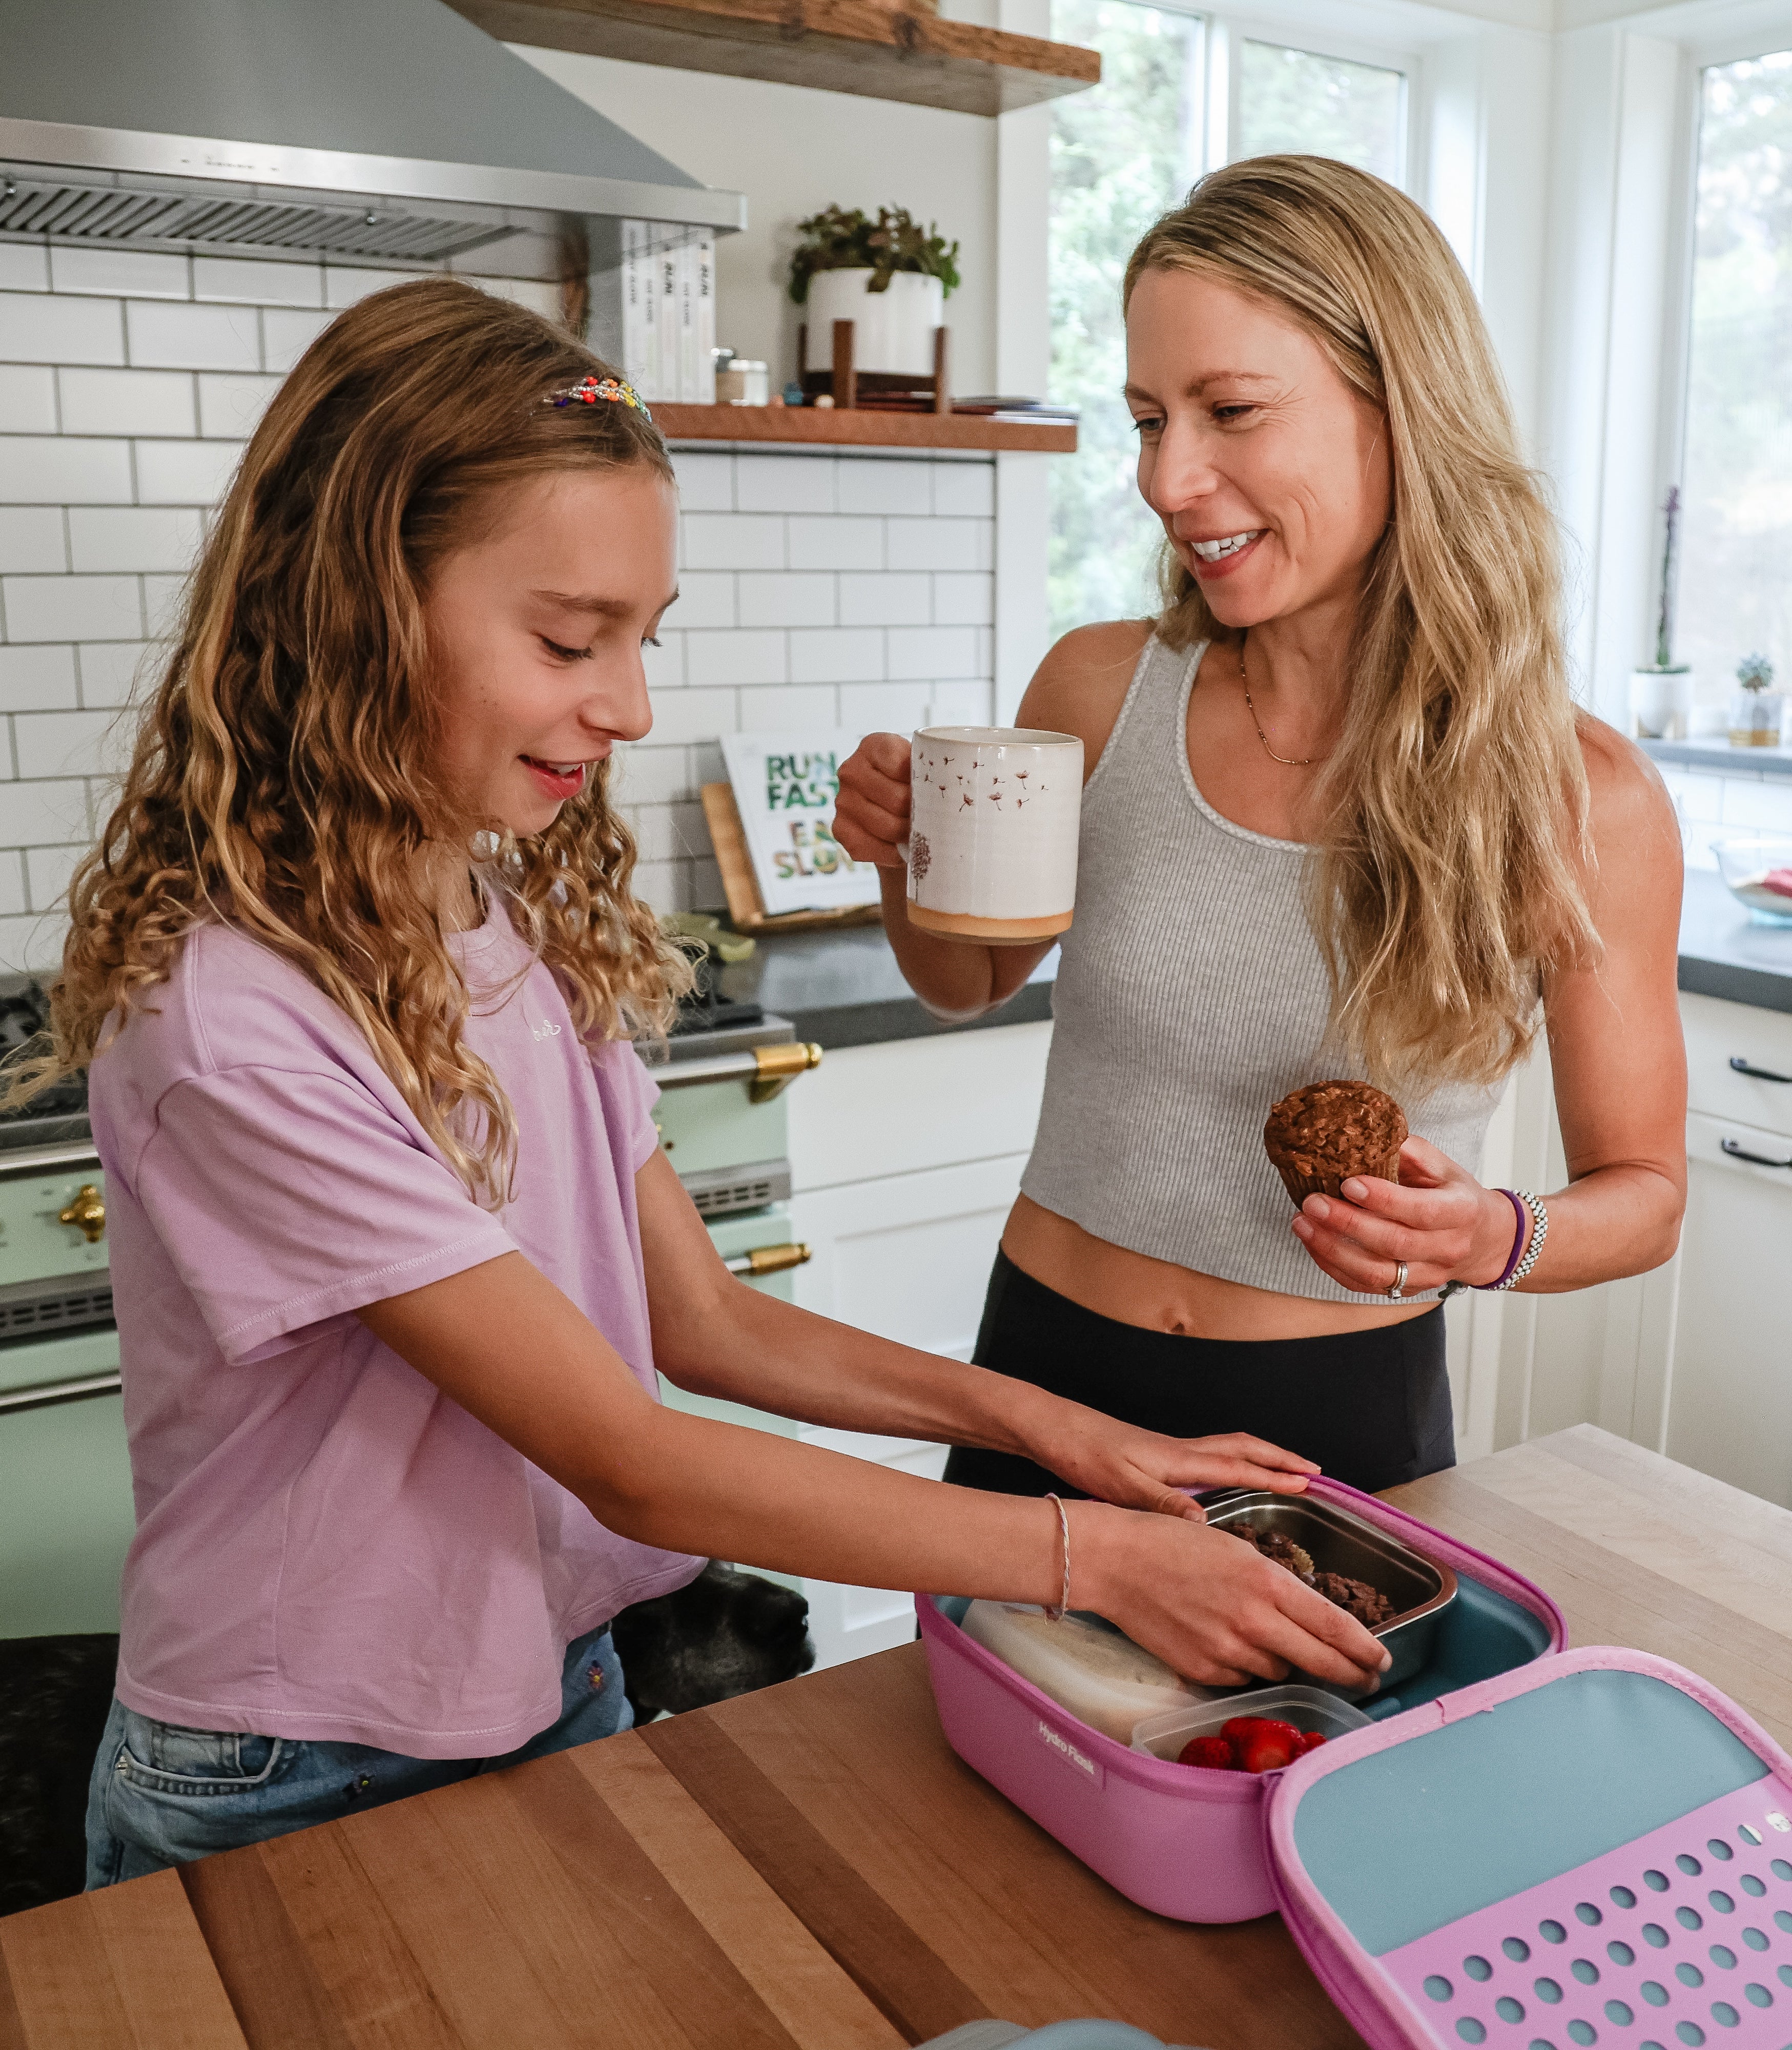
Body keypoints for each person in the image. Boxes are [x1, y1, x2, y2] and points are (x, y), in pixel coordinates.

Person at [0, 280, 1388, 1888]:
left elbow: (700, 1324)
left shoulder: (497, 917)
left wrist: (1062, 1431)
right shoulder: (234, 1013)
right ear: (353, 605)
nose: (630, 705)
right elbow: (633, 1452)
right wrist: (1102, 1562)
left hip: (559, 1668)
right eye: (566, 638)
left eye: (641, 640)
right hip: (293, 1755)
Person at [834, 155, 1687, 1500]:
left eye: (1229, 410)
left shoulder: (1577, 798)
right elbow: (962, 980)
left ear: (1398, 411)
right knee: (972, 1719)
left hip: (1336, 1416)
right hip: (1045, 1375)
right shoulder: (1097, 688)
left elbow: (1642, 1190)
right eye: (1145, 419)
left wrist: (1488, 1234)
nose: (1170, 480)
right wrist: (904, 863)